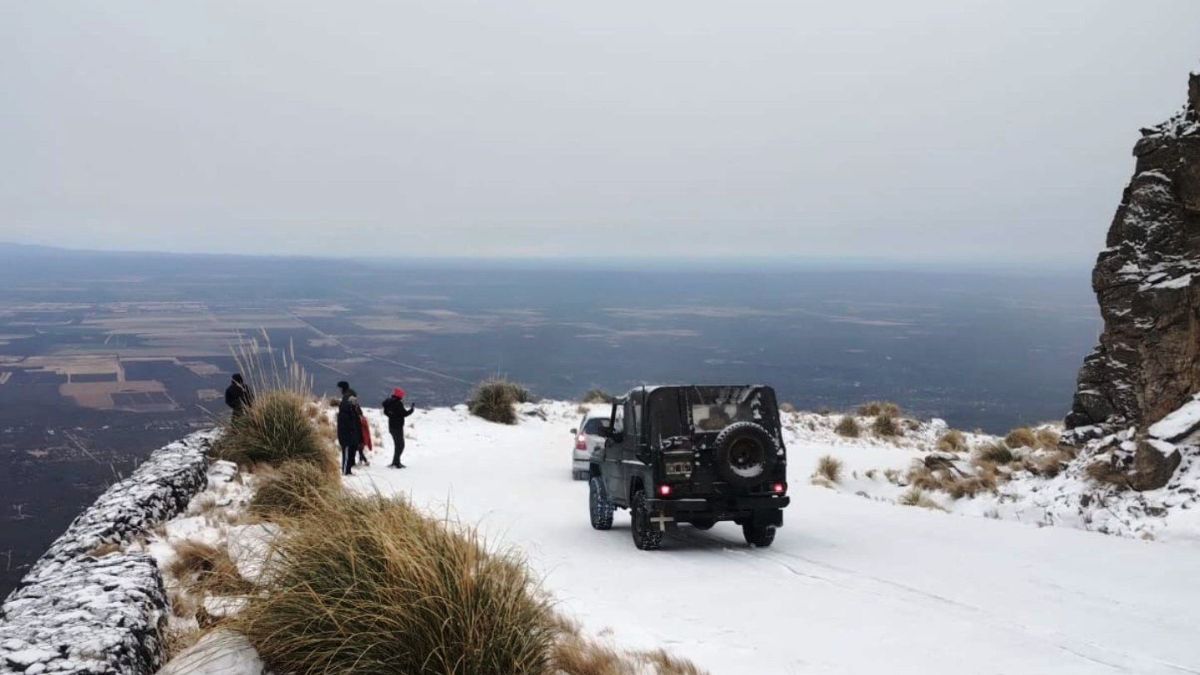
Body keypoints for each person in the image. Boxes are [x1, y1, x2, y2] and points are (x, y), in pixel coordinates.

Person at [382, 388, 416, 468]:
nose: (403, 397)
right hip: (397, 427)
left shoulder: (388, 402)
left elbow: (385, 412)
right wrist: (411, 410)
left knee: (398, 445)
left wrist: (392, 415)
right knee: (401, 445)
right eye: (402, 395)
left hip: (391, 426)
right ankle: (396, 463)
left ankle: (395, 462)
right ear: (400, 395)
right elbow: (404, 414)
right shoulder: (398, 403)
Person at [336, 381, 363, 476]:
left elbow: (346, 416)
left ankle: (345, 471)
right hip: (352, 430)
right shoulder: (351, 397)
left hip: (347, 431)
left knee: (347, 450)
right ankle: (347, 470)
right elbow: (359, 412)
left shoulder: (346, 400)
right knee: (349, 450)